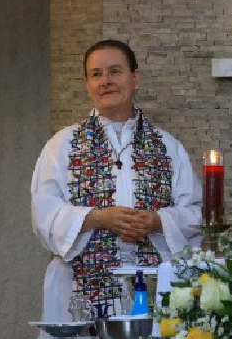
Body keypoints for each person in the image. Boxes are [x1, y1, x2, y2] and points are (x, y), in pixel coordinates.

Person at [31, 40, 201, 322]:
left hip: (151, 288)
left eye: (114, 71)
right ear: (87, 84)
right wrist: (96, 218)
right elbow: (43, 215)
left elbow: (196, 214)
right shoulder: (61, 146)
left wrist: (157, 221)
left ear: (135, 78)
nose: (106, 81)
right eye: (96, 74)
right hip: (78, 291)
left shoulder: (167, 146)